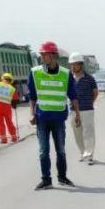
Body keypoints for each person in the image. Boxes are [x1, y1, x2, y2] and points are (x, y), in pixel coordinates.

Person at [29, 41, 80, 190]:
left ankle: (62, 177)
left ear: (53, 56)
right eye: (42, 55)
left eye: (45, 55)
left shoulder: (65, 74)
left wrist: (77, 114)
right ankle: (46, 179)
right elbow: (32, 96)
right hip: (42, 119)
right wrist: (31, 114)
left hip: (58, 119)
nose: (43, 57)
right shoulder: (35, 72)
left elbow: (73, 96)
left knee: (61, 151)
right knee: (43, 151)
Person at [68, 53, 99, 163]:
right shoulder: (69, 78)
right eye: (72, 65)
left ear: (81, 65)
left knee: (88, 133)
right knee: (77, 133)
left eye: (75, 64)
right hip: (73, 111)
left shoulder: (89, 78)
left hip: (87, 110)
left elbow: (95, 92)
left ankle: (89, 156)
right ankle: (83, 153)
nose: (73, 67)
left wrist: (90, 103)